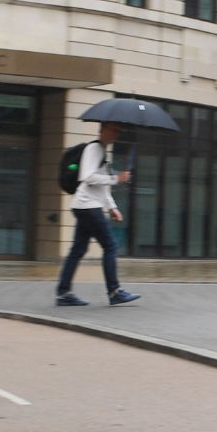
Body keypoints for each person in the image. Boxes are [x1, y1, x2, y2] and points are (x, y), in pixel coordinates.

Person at [56, 123, 140, 307]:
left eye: (118, 130)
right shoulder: (94, 149)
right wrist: (116, 178)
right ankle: (114, 291)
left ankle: (63, 293)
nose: (116, 133)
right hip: (88, 206)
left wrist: (112, 208)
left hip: (85, 205)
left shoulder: (102, 152)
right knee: (110, 246)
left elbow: (102, 188)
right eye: (112, 129)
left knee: (78, 250)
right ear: (102, 130)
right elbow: (87, 177)